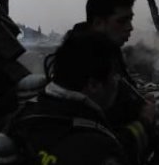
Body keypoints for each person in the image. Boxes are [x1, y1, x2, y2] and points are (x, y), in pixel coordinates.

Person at [61, 0, 159, 164]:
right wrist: (145, 120)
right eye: (122, 21)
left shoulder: (109, 51)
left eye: (130, 20)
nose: (130, 28)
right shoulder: (83, 61)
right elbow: (106, 141)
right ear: (98, 23)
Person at [7, 30, 128, 165]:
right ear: (93, 84)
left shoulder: (20, 118)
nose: (118, 81)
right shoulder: (100, 149)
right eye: (115, 75)